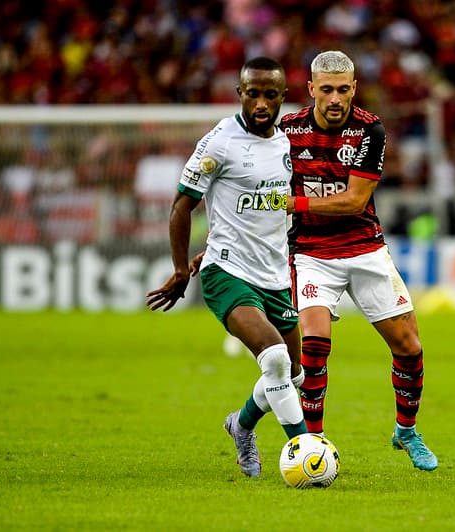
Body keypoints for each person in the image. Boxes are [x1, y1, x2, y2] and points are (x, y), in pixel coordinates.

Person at [146, 57, 307, 478]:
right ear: (239, 93)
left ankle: (241, 424)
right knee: (274, 359)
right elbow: (183, 204)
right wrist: (183, 270)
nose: (260, 103)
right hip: (228, 274)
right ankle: (306, 447)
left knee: (297, 374)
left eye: (269, 95)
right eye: (251, 93)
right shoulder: (220, 142)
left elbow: (270, 211)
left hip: (275, 275)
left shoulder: (286, 143)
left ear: (281, 98)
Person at [280, 50, 438, 471]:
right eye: (327, 89)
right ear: (311, 89)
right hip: (311, 253)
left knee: (409, 347)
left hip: (365, 247)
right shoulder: (286, 131)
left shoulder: (370, 130)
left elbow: (353, 201)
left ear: (354, 89)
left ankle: (406, 431)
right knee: (313, 345)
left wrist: (288, 202)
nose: (335, 98)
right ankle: (312, 441)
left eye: (343, 89)